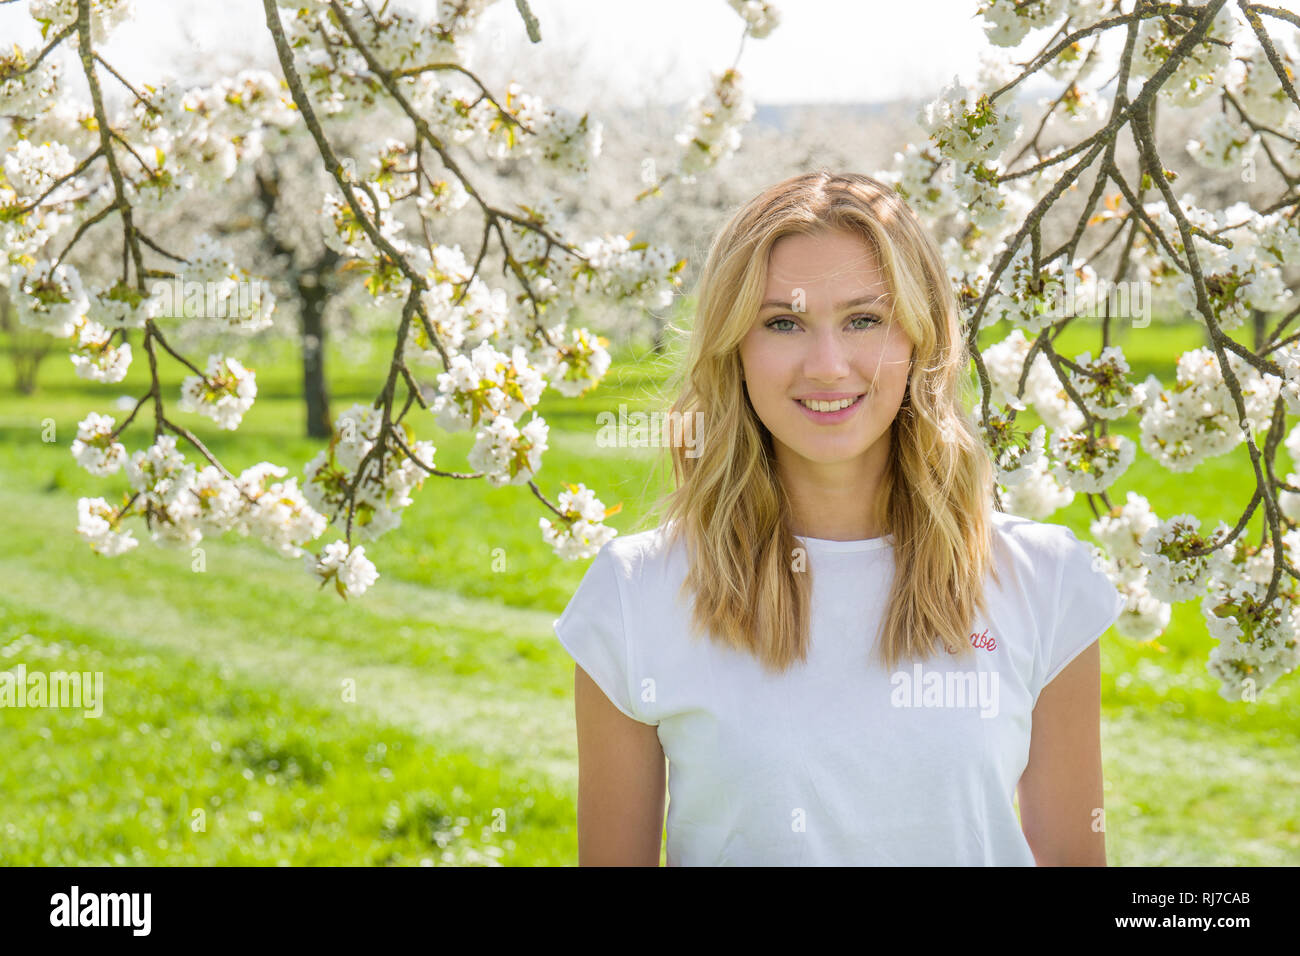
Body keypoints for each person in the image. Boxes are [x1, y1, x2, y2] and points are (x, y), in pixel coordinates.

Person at [552, 170, 1126, 866]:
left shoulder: (1045, 580)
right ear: (734, 347)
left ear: (921, 337)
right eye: (783, 323)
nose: (827, 366)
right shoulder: (635, 594)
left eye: (864, 319)